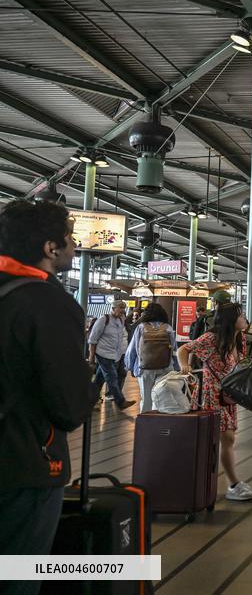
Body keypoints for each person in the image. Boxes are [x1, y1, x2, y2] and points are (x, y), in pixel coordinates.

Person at [0, 200, 95, 590]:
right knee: (17, 579)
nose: (74, 247)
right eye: (69, 239)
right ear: (50, 248)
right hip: (25, 465)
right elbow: (69, 407)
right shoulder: (48, 304)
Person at [178, 302, 252, 502]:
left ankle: (220, 482)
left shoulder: (239, 339)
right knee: (226, 439)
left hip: (228, 395)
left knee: (226, 440)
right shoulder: (212, 338)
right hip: (211, 395)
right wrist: (184, 366)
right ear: (231, 319)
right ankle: (232, 483)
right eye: (240, 315)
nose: (244, 318)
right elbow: (183, 349)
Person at [125, 302, 179, 413]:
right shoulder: (168, 328)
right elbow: (174, 349)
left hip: (145, 368)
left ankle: (145, 422)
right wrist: (177, 367)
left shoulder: (141, 327)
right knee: (162, 396)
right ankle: (159, 421)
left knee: (146, 398)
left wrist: (130, 366)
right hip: (165, 367)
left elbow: (133, 349)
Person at [88, 300, 135, 411]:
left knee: (100, 379)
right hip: (103, 353)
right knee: (112, 377)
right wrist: (91, 356)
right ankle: (121, 402)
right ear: (113, 308)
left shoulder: (121, 319)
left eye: (123, 310)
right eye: (120, 309)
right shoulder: (103, 319)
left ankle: (90, 401)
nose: (122, 312)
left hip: (114, 354)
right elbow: (93, 339)